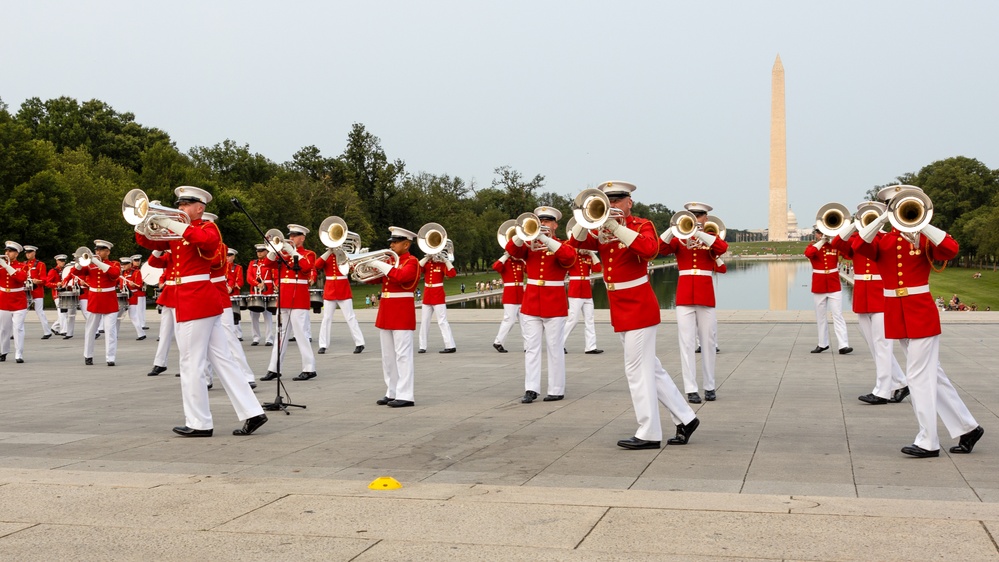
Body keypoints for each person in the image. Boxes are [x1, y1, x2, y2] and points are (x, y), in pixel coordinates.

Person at [566, 181, 699, 450]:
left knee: (636, 370)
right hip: (619, 305)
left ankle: (649, 431)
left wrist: (617, 228)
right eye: (608, 200)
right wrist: (586, 216)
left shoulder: (641, 225)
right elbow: (573, 243)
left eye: (617, 200)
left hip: (638, 304)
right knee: (652, 368)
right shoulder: (599, 226)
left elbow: (651, 250)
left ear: (629, 202)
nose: (613, 205)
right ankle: (686, 418)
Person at [854, 184, 983, 457]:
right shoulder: (884, 241)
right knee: (931, 374)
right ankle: (967, 427)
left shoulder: (924, 240)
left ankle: (928, 440)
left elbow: (950, 248)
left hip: (920, 312)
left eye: (904, 206)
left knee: (917, 376)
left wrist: (923, 224)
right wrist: (882, 218)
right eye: (894, 205)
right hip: (896, 313)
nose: (900, 210)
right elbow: (857, 244)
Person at [136, 185, 267, 437]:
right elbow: (146, 240)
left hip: (195, 299)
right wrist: (144, 218)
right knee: (223, 360)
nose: (180, 209)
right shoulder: (177, 233)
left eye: (185, 205)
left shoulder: (207, 228)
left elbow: (207, 243)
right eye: (179, 205)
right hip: (192, 299)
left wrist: (172, 224)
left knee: (190, 362)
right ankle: (253, 412)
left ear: (199, 208)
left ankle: (199, 422)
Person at [830, 202, 908, 405]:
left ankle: (882, 391)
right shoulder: (858, 239)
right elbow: (838, 243)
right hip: (863, 297)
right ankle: (900, 382)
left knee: (882, 345)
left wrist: (878, 226)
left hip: (881, 295)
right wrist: (856, 224)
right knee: (875, 346)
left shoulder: (885, 238)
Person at [658, 202, 728, 403]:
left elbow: (722, 248)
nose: (697, 218)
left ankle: (710, 386)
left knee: (709, 341)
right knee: (686, 342)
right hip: (685, 295)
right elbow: (660, 247)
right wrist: (673, 228)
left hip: (705, 295)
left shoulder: (710, 238)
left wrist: (700, 234)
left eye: (700, 215)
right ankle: (691, 388)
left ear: (706, 218)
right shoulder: (680, 237)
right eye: (693, 215)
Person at [505, 206, 574, 403]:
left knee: (554, 347)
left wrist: (545, 239)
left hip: (554, 302)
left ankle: (556, 388)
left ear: (555, 224)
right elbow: (510, 249)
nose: (543, 224)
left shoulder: (562, 245)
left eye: (547, 221)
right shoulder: (529, 245)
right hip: (532, 302)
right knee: (531, 347)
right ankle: (531, 388)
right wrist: (523, 232)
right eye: (540, 220)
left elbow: (569, 258)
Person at [367, 227, 421, 407]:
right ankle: (392, 391)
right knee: (388, 356)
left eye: (396, 242)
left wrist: (380, 264)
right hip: (387, 310)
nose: (391, 244)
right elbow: (372, 279)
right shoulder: (390, 260)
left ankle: (406, 395)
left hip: (401, 311)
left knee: (403, 355)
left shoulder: (412, 262)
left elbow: (401, 277)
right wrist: (365, 265)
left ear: (406, 244)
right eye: (391, 241)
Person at [260, 225, 318, 382]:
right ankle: (274, 368)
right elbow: (267, 263)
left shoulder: (308, 254)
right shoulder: (282, 254)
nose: (291, 238)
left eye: (295, 235)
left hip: (298, 297)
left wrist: (293, 252)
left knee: (301, 334)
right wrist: (274, 248)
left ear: (302, 238)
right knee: (281, 335)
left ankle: (309, 368)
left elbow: (306, 268)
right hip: (284, 297)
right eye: (290, 235)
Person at [73, 240, 121, 366]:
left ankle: (110, 357)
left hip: (109, 299)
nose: (97, 252)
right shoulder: (89, 265)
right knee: (90, 329)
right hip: (95, 299)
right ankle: (88, 355)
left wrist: (97, 261)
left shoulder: (114, 264)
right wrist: (79, 262)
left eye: (101, 250)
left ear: (108, 251)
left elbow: (114, 274)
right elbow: (76, 272)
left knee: (110, 330)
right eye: (96, 250)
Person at [805, 227, 851, 354]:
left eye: (823, 232)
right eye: (819, 233)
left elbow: (848, 254)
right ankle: (822, 343)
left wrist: (836, 240)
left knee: (838, 315)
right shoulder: (814, 246)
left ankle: (843, 344)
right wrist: (821, 241)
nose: (821, 234)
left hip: (833, 284)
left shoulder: (834, 246)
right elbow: (809, 254)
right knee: (821, 316)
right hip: (819, 285)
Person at [315, 243, 365, 354]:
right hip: (330, 289)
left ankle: (359, 343)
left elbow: (352, 268)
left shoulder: (345, 255)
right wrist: (329, 252)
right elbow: (317, 265)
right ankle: (323, 345)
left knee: (350, 317)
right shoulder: (326, 256)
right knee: (326, 318)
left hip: (343, 289)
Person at [562, 247, 603, 355]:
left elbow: (598, 269)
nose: (584, 250)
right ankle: (559, 343)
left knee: (590, 320)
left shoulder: (588, 257)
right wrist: (574, 251)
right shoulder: (573, 257)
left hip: (586, 292)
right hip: (575, 291)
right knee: (573, 320)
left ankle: (591, 346)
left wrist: (592, 254)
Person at [418, 249, 457, 354]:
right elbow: (416, 268)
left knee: (442, 321)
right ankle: (422, 346)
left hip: (438, 295)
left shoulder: (442, 265)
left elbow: (452, 274)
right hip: (427, 295)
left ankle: (450, 345)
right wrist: (427, 257)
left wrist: (446, 261)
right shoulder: (427, 264)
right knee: (424, 322)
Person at [146, 249, 175, 376]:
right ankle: (160, 363)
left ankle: (186, 365)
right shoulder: (168, 255)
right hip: (169, 294)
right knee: (164, 331)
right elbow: (153, 262)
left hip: (181, 293)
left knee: (182, 335)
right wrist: (158, 247)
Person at [1, 241, 29, 363]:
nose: (7, 253)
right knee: (3, 329)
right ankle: (3, 351)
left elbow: (21, 278)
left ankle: (18, 353)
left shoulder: (23, 266)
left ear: (16, 254)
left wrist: (6, 266)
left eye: (10, 251)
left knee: (18, 328)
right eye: (6, 251)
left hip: (18, 300)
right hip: (3, 300)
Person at [491, 250, 525, 353]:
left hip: (521, 295)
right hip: (510, 295)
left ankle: (528, 345)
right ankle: (498, 342)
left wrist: (524, 257)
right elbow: (496, 266)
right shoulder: (506, 262)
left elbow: (530, 269)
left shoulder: (521, 262)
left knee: (526, 322)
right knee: (509, 320)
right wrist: (506, 256)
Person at [245, 244, 275, 346]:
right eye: (258, 251)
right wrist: (257, 283)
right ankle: (256, 338)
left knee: (267, 316)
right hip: (255, 291)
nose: (259, 253)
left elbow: (274, 276)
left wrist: (276, 285)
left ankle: (269, 339)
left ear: (266, 252)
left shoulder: (270, 263)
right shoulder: (252, 263)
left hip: (267, 292)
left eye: (262, 251)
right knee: (254, 316)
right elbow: (249, 277)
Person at [22, 245, 53, 339]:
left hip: (37, 291)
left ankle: (47, 331)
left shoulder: (40, 264)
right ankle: (15, 332)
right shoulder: (23, 264)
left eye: (30, 252)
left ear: (34, 253)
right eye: (27, 252)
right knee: (21, 312)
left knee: (39, 311)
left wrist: (37, 281)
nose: (28, 254)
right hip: (26, 291)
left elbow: (44, 279)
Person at [119, 257, 146, 340]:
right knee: (117, 316)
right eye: (122, 264)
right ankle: (114, 334)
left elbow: (140, 285)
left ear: (130, 264)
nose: (123, 266)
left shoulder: (136, 272)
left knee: (133, 316)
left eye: (125, 264)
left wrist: (133, 284)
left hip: (132, 295)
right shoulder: (121, 273)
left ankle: (141, 334)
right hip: (123, 296)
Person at [45, 254, 69, 337]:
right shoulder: (53, 271)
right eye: (61, 261)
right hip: (57, 294)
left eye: (64, 261)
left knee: (65, 313)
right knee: (62, 312)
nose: (63, 262)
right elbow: (47, 283)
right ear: (57, 261)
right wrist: (56, 284)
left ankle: (55, 327)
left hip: (65, 293)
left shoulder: (66, 270)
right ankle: (64, 330)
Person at [225, 248, 244, 341]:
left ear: (233, 257)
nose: (227, 258)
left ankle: (238, 334)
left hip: (234, 293)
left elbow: (239, 280)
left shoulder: (237, 267)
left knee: (235, 313)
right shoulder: (223, 266)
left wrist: (232, 287)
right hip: (224, 293)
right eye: (226, 256)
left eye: (229, 256)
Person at [131, 255, 148, 330]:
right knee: (138, 310)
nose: (137, 262)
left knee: (142, 309)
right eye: (136, 261)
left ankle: (143, 323)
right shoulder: (132, 271)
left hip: (142, 292)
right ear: (132, 261)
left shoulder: (141, 270)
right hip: (137, 292)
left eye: (138, 260)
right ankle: (140, 324)